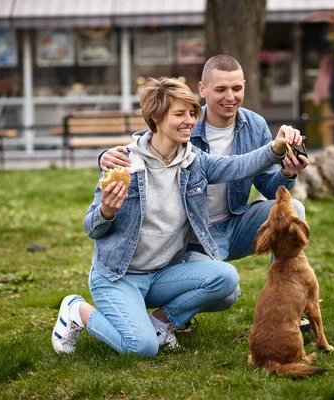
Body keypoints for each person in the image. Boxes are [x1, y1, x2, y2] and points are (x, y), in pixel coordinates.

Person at [51, 77, 301, 357]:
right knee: (141, 348)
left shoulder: (195, 161)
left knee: (226, 278)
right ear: (156, 117)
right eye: (180, 114)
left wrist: (276, 149)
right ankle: (77, 310)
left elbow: (237, 166)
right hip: (118, 276)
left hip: (162, 275)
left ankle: (159, 323)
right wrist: (107, 212)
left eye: (192, 114)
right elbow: (91, 227)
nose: (190, 121)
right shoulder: (123, 163)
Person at [100, 55, 309, 264]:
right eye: (220, 90)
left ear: (244, 86)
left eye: (236, 89)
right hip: (195, 235)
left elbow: (270, 189)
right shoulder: (186, 125)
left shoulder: (255, 125)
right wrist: (105, 157)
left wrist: (288, 173)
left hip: (236, 224)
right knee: (224, 293)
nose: (230, 97)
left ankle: (285, 288)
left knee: (293, 210)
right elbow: (151, 141)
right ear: (202, 89)